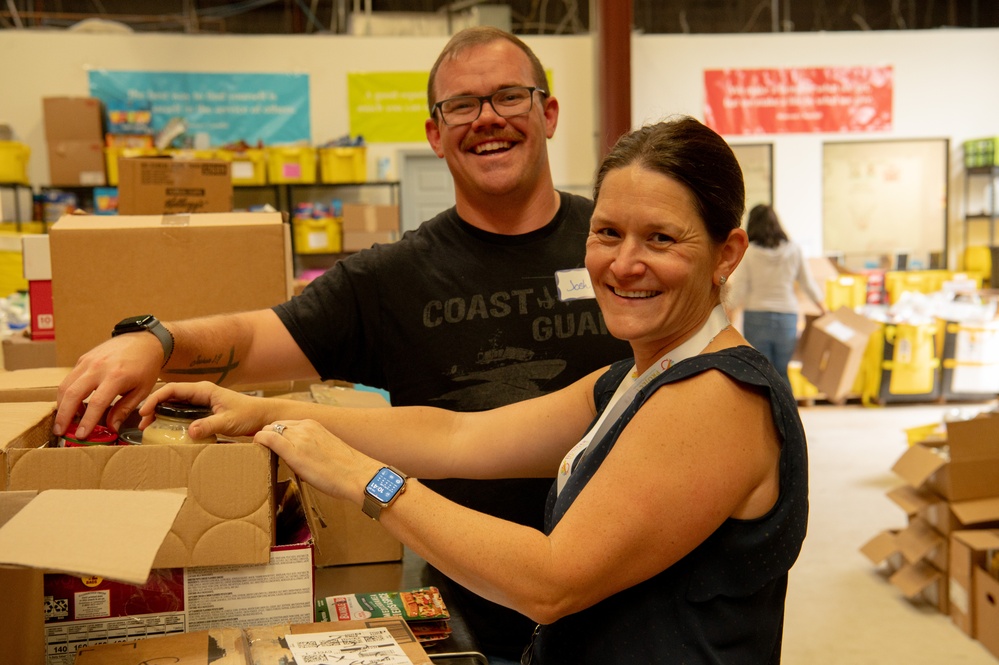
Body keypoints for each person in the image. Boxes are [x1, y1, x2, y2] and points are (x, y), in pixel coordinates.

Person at [54, 26, 630, 663]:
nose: (487, 118)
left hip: (635, 611)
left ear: (548, 112)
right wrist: (156, 340)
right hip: (467, 627)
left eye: (509, 96)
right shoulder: (392, 278)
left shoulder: (615, 251)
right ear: (435, 134)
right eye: (461, 105)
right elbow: (255, 339)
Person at [141, 116, 809, 664]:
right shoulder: (632, 378)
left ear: (727, 253)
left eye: (660, 238)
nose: (623, 262)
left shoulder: (718, 397)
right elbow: (458, 436)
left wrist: (363, 479)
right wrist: (264, 410)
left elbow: (550, 581)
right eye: (607, 232)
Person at [728, 203, 827, 385]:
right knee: (782, 372)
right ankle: (787, 413)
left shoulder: (749, 253)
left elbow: (738, 289)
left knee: (761, 373)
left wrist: (727, 318)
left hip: (757, 316)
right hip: (787, 318)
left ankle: (766, 413)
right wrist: (825, 310)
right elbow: (808, 284)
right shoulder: (793, 250)